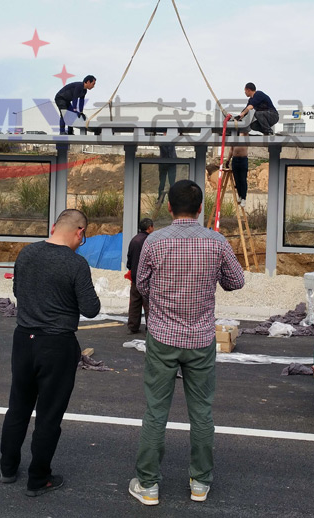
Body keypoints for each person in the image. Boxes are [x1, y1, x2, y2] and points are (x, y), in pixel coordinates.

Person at [129, 180, 245, 506]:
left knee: (156, 411)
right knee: (202, 412)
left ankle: (148, 485)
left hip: (162, 337)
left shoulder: (154, 242)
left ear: (169, 207)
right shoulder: (216, 241)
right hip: (201, 339)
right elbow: (236, 281)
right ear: (200, 209)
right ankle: (200, 483)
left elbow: (141, 284)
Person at [0, 209, 101, 497]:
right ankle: (38, 478)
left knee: (18, 406)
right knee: (48, 415)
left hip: (24, 339)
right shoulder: (76, 263)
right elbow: (91, 309)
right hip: (57, 343)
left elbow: (18, 291)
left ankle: (8, 468)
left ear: (55, 226)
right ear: (80, 232)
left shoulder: (26, 254)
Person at [126, 218, 154, 334]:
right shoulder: (150, 241)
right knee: (148, 303)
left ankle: (133, 326)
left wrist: (132, 270)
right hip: (147, 278)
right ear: (149, 227)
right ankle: (150, 328)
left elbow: (129, 258)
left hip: (135, 277)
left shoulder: (134, 240)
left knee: (134, 303)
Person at [225, 133, 248, 207]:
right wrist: (228, 160)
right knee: (237, 180)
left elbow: (245, 131)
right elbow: (231, 150)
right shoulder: (233, 138)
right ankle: (240, 195)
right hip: (235, 160)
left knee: (243, 179)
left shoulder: (244, 135)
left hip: (243, 159)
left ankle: (244, 198)